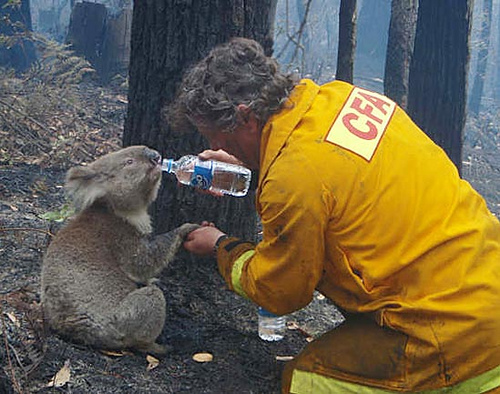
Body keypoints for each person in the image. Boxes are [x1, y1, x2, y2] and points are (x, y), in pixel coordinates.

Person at [170, 37, 500, 393]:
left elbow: (281, 291)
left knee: (307, 381)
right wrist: (251, 164)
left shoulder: (293, 178)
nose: (219, 149)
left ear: (245, 117)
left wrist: (221, 246)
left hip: (450, 334)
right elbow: (333, 179)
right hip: (486, 282)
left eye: (222, 141)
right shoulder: (341, 99)